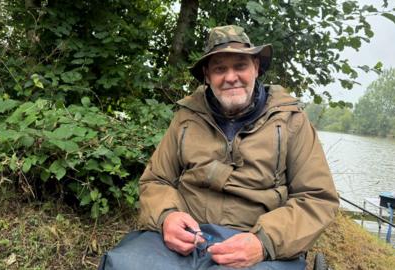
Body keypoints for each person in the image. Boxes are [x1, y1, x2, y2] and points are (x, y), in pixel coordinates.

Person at [98, 25, 339, 270]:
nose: (230, 77)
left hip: (258, 244)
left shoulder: (291, 121)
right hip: (189, 238)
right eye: (220, 68)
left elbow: (317, 198)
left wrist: (263, 242)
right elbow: (156, 180)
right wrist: (167, 216)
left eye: (240, 66)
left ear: (256, 67)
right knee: (123, 264)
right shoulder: (186, 117)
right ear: (207, 75)